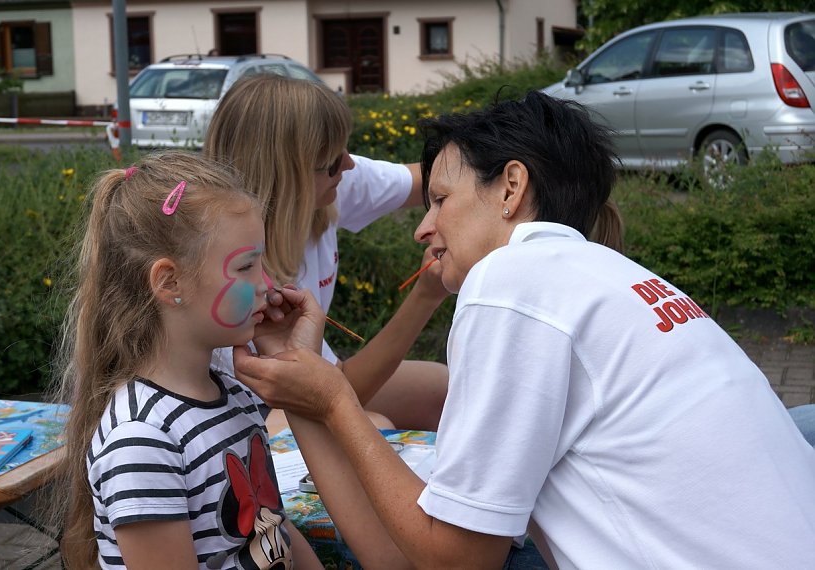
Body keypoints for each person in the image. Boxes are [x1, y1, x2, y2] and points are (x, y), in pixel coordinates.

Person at [233, 91, 815, 569]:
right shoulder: (614, 276)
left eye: (439, 200)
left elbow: (451, 563)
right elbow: (403, 558)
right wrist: (307, 392)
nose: (423, 228)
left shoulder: (512, 279)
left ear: (511, 187)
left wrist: (334, 402)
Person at [47, 151, 324, 569]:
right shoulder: (142, 441)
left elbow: (274, 530)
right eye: (247, 266)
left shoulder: (234, 395)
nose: (268, 284)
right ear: (170, 282)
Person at [203, 73, 449, 432]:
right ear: (288, 176)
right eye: (333, 161)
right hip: (238, 415)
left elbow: (427, 180)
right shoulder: (236, 274)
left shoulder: (327, 185)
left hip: (305, 384)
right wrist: (425, 297)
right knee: (373, 426)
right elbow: (336, 392)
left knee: (439, 389)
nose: (349, 165)